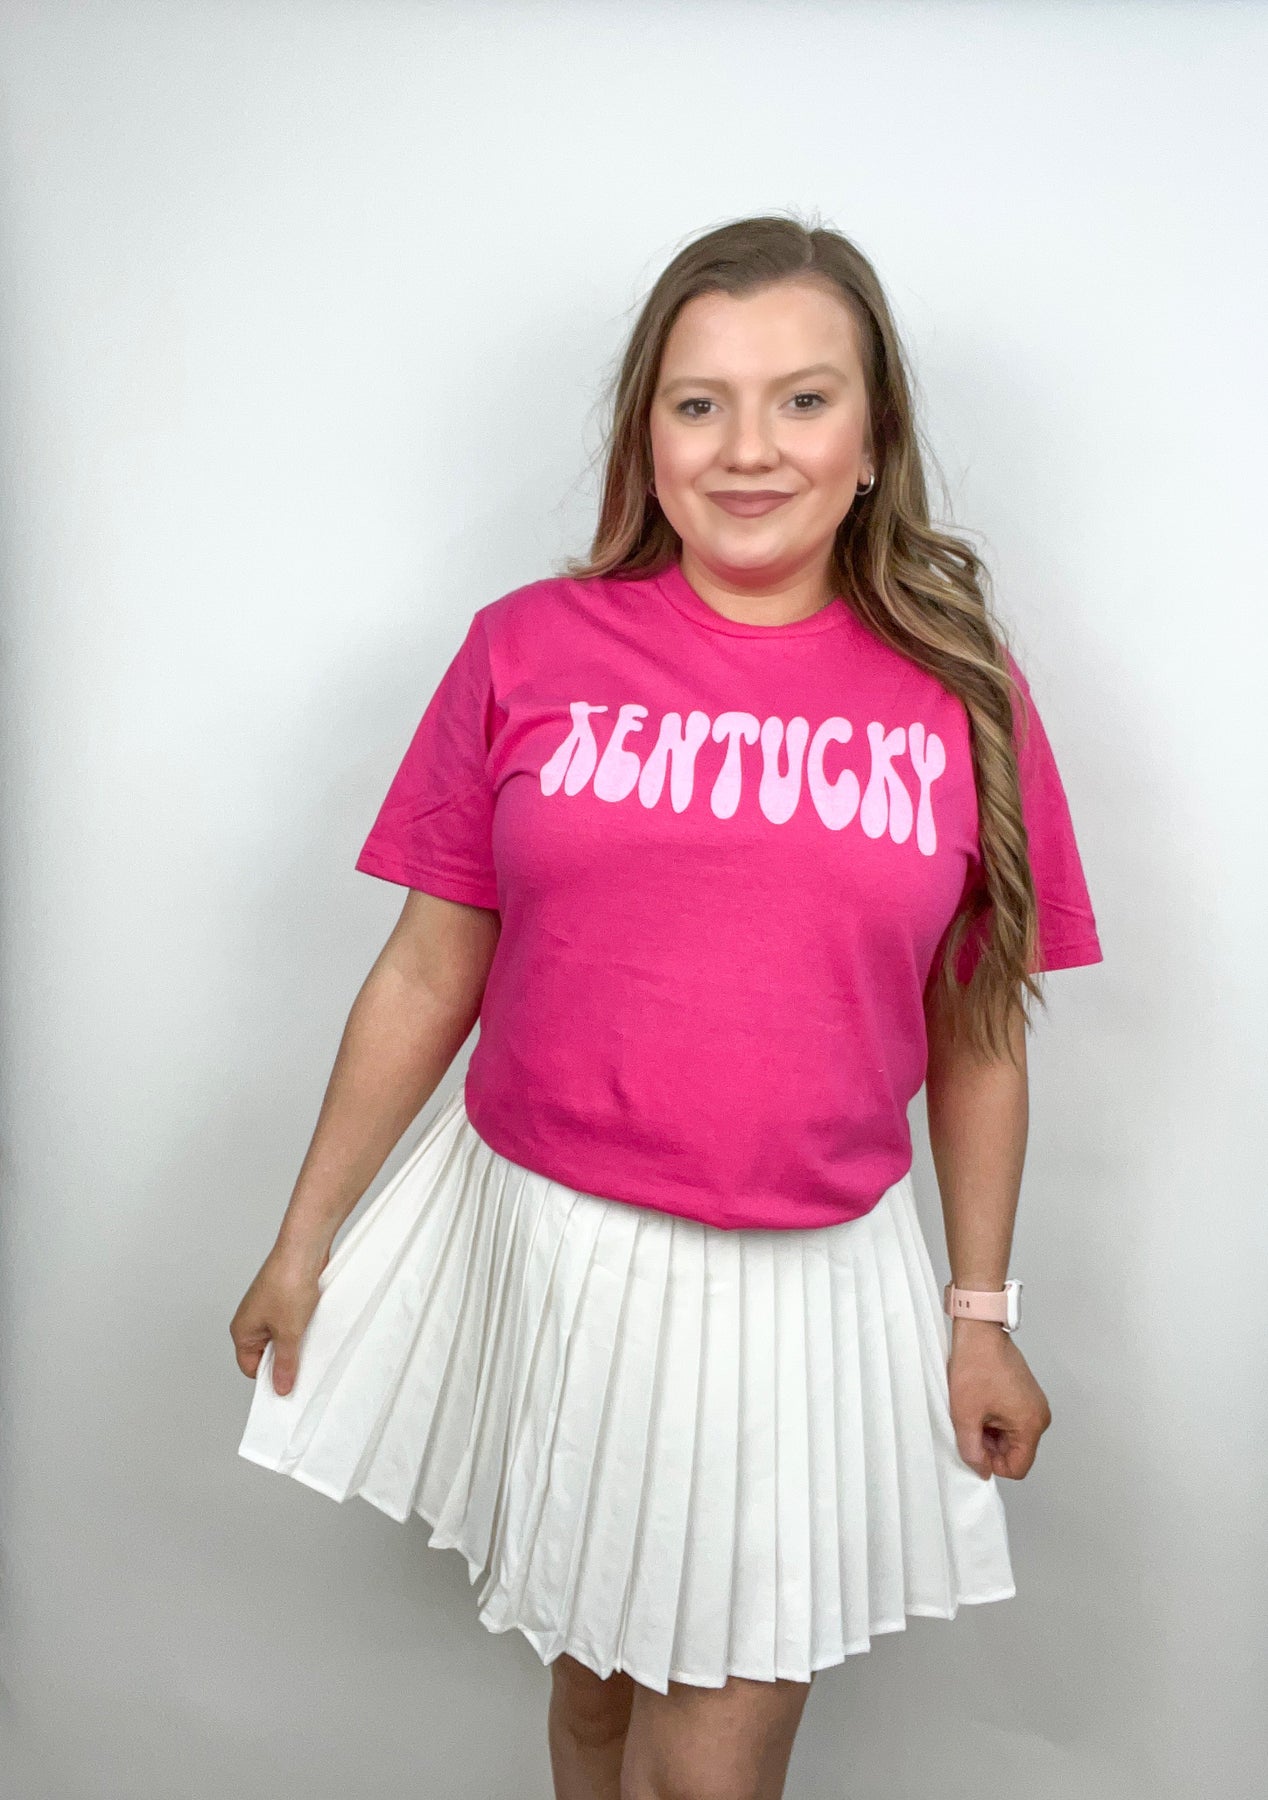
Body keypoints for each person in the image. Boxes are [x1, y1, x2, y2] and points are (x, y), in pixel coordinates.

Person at [230, 213, 1103, 1800]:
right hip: (557, 1252)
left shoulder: (963, 696)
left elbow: (979, 1033)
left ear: (874, 440)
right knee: (592, 1698)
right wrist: (304, 1241)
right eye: (700, 403)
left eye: (803, 399)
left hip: (804, 1282)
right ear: (649, 432)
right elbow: (429, 968)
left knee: (708, 1764)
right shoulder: (526, 649)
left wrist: (981, 1317)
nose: (748, 448)